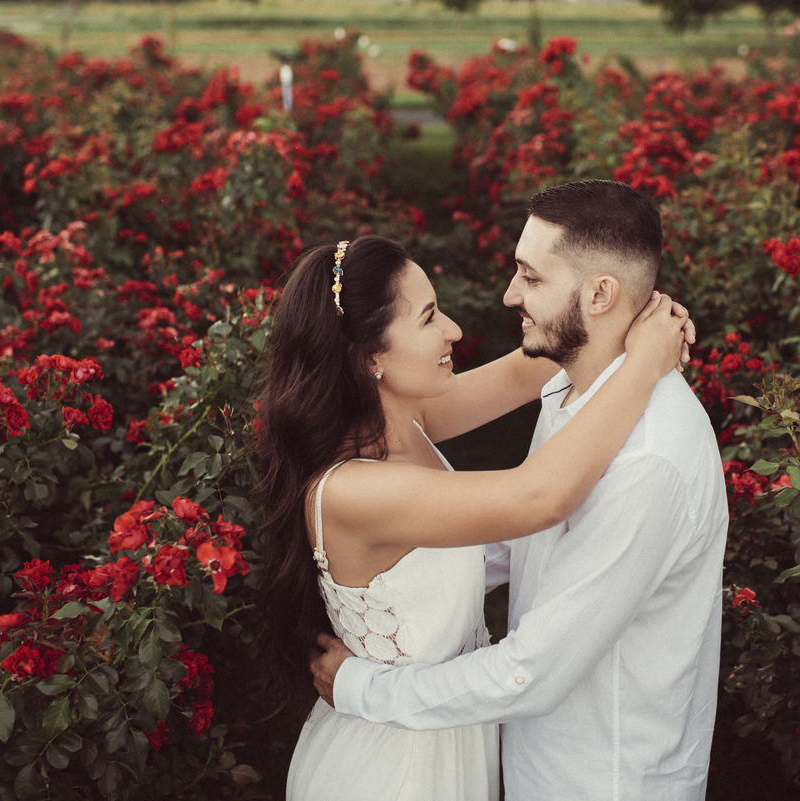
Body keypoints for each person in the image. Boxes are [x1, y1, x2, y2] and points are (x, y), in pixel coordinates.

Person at [311, 180, 729, 801]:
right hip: (456, 756)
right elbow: (533, 514)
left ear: (598, 293)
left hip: (604, 778)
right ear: (369, 356)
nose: (507, 297)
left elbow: (531, 668)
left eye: (531, 277)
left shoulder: (648, 459)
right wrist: (634, 345)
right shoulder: (569, 394)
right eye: (429, 316)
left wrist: (362, 684)